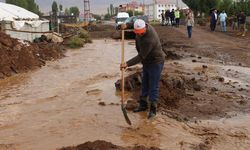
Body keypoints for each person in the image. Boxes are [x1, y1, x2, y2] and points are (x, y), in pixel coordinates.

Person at [120, 19, 165, 119]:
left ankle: (153, 110)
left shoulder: (149, 39)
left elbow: (141, 56)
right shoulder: (140, 24)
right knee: (145, 83)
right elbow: (134, 24)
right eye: (137, 33)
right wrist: (126, 25)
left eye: (141, 33)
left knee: (153, 86)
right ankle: (143, 105)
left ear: (144, 28)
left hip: (155, 62)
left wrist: (127, 64)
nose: (139, 35)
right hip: (147, 62)